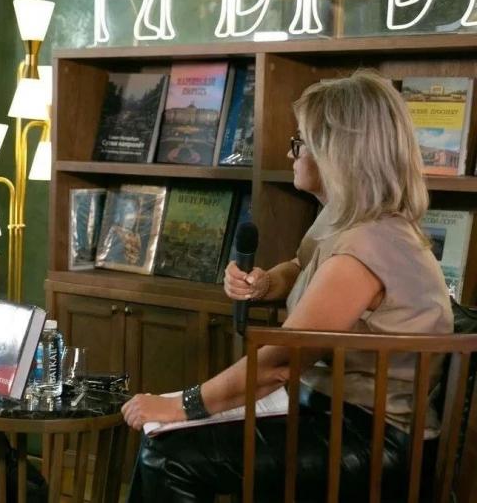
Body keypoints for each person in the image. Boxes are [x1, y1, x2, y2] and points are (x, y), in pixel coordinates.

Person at [121, 70, 453, 502]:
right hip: (326, 410)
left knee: (168, 456)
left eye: (300, 143)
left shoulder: (370, 243)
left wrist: (183, 404)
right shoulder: (344, 220)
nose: (290, 153)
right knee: (162, 438)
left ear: (336, 154)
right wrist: (265, 284)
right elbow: (301, 265)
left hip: (371, 438)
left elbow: (281, 362)